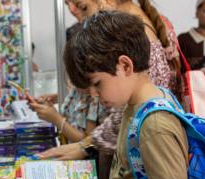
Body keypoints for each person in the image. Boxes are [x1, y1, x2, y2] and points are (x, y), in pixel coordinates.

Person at [66, 11, 189, 179]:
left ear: (125, 65)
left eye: (97, 84)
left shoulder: (155, 123)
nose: (95, 95)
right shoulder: (133, 106)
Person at [38, 0, 181, 164]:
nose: (81, 19)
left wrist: (85, 145)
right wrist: (85, 145)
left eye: (84, 8)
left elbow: (133, 113)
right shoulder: (139, 28)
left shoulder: (136, 39)